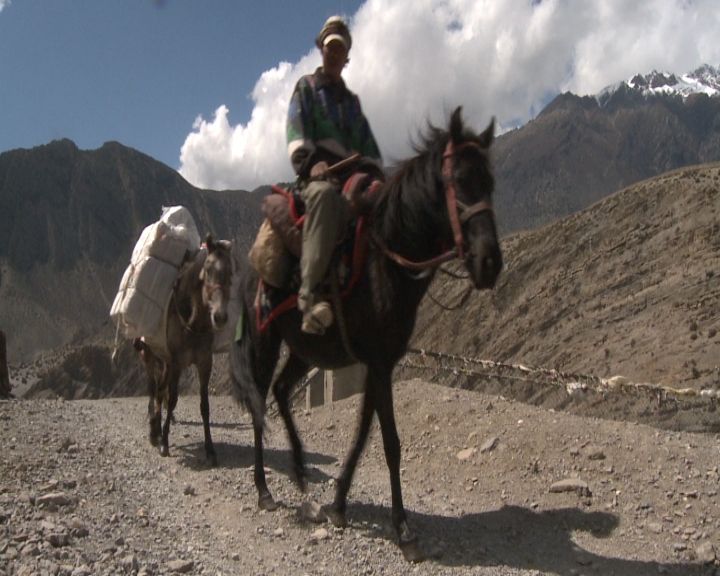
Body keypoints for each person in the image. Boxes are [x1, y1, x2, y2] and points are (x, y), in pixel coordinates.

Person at [286, 15, 382, 334]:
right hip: (317, 180)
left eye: (340, 50)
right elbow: (296, 134)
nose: (335, 54)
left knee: (383, 204)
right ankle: (309, 298)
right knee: (326, 196)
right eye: (330, 48)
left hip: (350, 179)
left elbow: (368, 149)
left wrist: (376, 176)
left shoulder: (352, 104)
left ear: (346, 56)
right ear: (321, 49)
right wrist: (312, 163)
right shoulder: (306, 88)